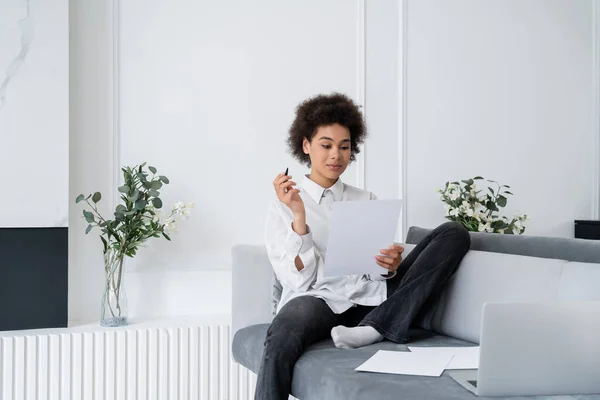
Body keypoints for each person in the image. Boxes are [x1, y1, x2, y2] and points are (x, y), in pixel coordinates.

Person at [256, 93, 470, 400]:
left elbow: (372, 275)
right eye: (326, 145)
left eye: (344, 147)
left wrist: (387, 267)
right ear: (306, 146)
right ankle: (381, 325)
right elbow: (299, 281)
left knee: (453, 232)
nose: (336, 155)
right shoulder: (283, 207)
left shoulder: (364, 198)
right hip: (319, 299)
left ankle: (373, 328)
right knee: (281, 333)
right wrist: (299, 215)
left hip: (371, 300)